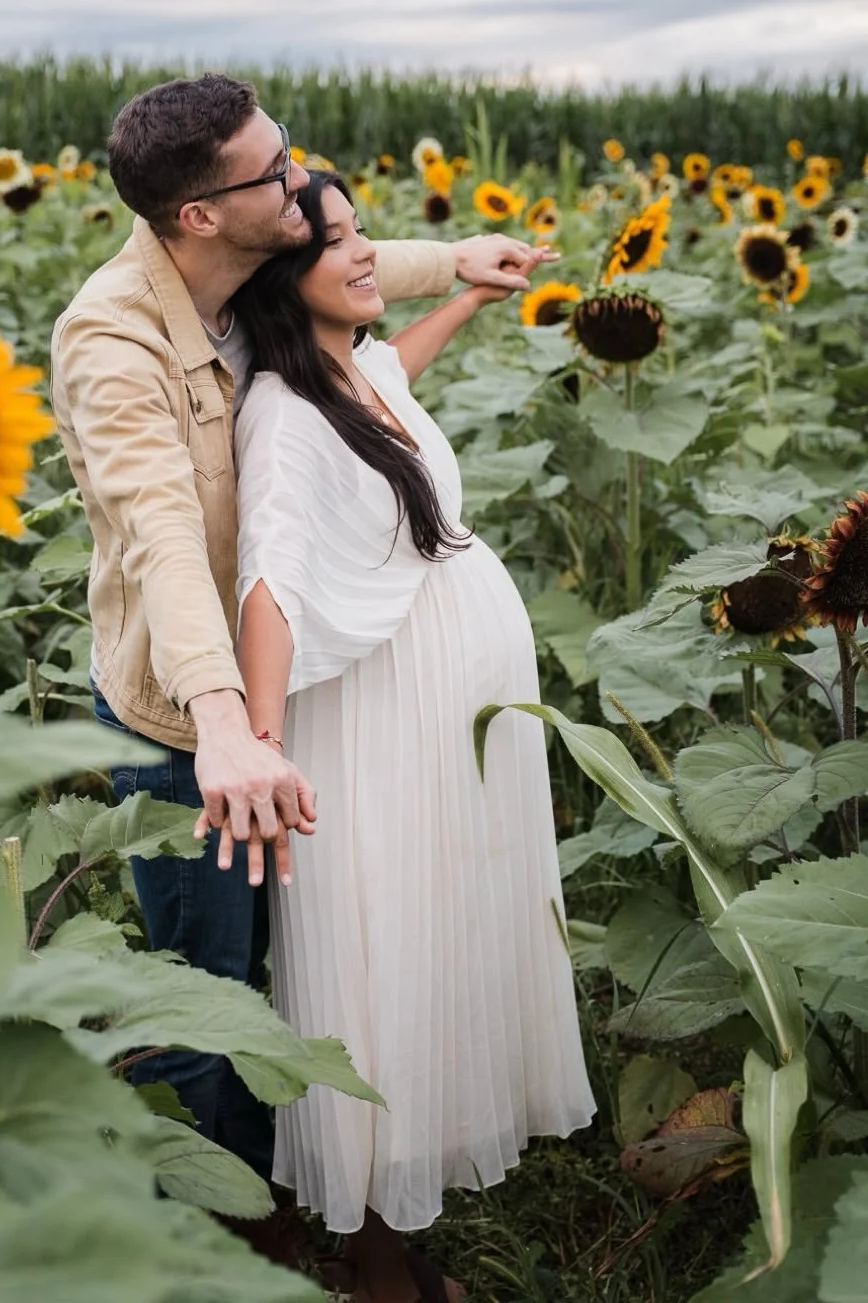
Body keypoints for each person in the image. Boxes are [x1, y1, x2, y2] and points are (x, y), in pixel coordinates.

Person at [49, 72, 557, 1210]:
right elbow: (162, 537)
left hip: (282, 706)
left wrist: (459, 265)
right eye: (272, 171)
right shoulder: (112, 342)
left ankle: (291, 1185)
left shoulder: (247, 269)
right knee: (205, 990)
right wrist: (228, 727)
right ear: (199, 214)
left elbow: (333, 268)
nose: (295, 178)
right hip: (190, 718)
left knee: (300, 964)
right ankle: (228, 1236)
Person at [230, 170, 596, 1303]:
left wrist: (463, 300)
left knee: (440, 928)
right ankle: (375, 1253)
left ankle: (403, 1203)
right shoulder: (283, 417)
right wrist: (258, 742)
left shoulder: (349, 370)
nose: (364, 256)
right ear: (278, 281)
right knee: (379, 956)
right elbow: (270, 584)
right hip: (376, 726)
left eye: (360, 237)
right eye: (334, 245)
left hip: (441, 718)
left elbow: (391, 384)